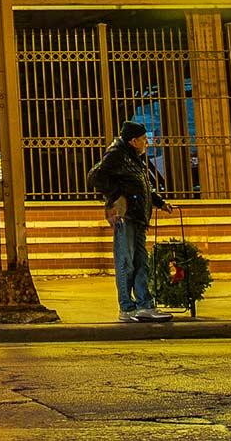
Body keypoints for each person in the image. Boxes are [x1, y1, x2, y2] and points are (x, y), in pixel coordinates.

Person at [90, 120, 172, 324]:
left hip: (137, 217)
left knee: (140, 262)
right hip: (125, 218)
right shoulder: (117, 154)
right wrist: (117, 196)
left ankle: (144, 305)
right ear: (133, 141)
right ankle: (126, 307)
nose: (147, 143)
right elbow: (95, 177)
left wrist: (159, 202)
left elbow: (140, 186)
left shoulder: (133, 158)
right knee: (126, 262)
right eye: (144, 139)